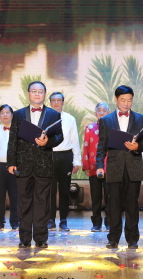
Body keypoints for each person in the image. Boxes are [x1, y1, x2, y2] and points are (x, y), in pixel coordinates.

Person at [7, 81, 64, 249]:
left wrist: (47, 142)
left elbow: (59, 136)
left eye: (40, 91)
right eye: (34, 91)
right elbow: (12, 139)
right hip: (22, 165)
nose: (37, 94)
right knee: (23, 203)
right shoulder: (18, 114)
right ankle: (24, 238)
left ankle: (40, 238)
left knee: (42, 202)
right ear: (28, 93)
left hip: (43, 164)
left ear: (45, 94)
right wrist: (11, 162)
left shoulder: (53, 114)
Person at [96, 85, 143, 250]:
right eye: (123, 100)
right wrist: (99, 165)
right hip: (114, 166)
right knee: (114, 205)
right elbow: (101, 146)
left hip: (133, 166)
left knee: (132, 204)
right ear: (116, 99)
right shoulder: (106, 120)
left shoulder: (141, 119)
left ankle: (132, 239)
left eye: (129, 100)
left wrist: (138, 147)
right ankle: (113, 238)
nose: (126, 104)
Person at [48, 92, 82, 232]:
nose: (56, 103)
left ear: (63, 102)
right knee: (50, 191)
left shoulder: (70, 119)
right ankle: (50, 220)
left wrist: (77, 161)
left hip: (65, 157)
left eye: (59, 100)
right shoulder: (45, 118)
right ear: (50, 102)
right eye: (54, 100)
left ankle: (63, 220)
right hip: (48, 156)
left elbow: (75, 140)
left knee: (64, 190)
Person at [82, 102, 111, 232]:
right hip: (94, 167)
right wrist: (86, 166)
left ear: (108, 113)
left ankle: (110, 222)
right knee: (96, 196)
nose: (101, 112)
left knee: (110, 196)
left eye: (104, 110)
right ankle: (96, 223)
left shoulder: (113, 128)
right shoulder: (90, 128)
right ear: (95, 113)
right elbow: (86, 147)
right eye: (99, 110)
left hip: (109, 167)